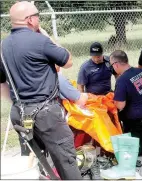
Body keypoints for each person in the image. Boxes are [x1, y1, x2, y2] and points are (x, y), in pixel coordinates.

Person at [0, 1, 82, 179]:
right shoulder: (40, 41)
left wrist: (19, 103)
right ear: (30, 20)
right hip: (46, 114)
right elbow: (68, 61)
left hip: (20, 114)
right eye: (37, 15)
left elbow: (1, 84)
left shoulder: (2, 46)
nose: (39, 19)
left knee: (34, 159)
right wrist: (45, 35)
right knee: (66, 160)